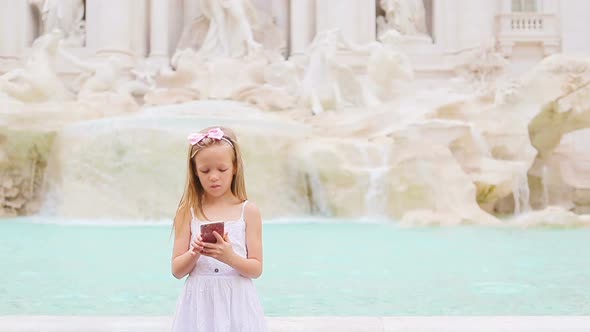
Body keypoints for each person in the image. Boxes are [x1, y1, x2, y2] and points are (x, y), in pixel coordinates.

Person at [171, 126, 267, 331]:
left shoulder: (248, 211)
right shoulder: (187, 211)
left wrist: (229, 256)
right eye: (205, 171)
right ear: (195, 172)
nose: (214, 177)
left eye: (221, 169)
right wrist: (194, 252)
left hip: (237, 302)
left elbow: (256, 269)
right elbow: (177, 271)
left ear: (234, 168)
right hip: (199, 302)